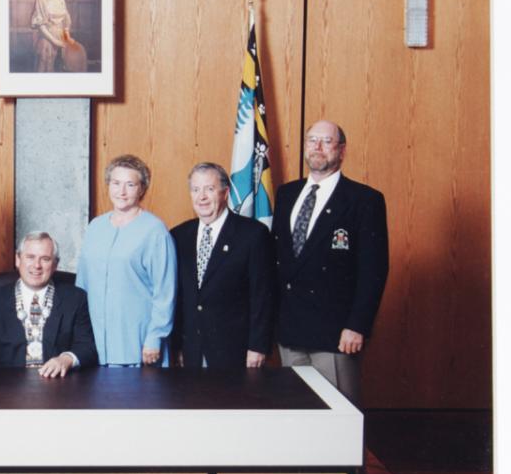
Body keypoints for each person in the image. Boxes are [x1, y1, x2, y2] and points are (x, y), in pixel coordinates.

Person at [273, 119, 388, 403]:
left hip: (336, 333)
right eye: (312, 140)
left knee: (337, 416)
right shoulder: (287, 194)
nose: (318, 148)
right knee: (296, 415)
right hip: (290, 330)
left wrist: (358, 325)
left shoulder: (364, 200)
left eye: (326, 141)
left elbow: (374, 269)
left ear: (342, 150)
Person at [171, 162, 275, 368]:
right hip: (192, 348)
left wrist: (258, 346)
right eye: (195, 189)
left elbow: (262, 296)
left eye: (209, 189)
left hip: (236, 350)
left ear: (225, 193)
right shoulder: (178, 235)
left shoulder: (252, 234)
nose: (201, 197)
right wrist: (178, 346)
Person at [76, 155, 176, 366]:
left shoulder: (155, 230)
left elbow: (165, 291)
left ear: (142, 189)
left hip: (137, 344)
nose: (121, 192)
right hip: (94, 340)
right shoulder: (95, 227)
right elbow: (82, 283)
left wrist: (155, 337)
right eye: (116, 183)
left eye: (130, 185)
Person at [0, 232, 97, 379]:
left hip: (59, 386)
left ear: (55, 265)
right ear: (18, 260)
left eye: (45, 259)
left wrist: (66, 359)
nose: (37, 265)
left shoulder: (75, 298)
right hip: (5, 388)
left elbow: (87, 346)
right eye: (30, 257)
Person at [30, 0, 86, 73]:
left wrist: (66, 38)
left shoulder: (60, 0)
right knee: (45, 69)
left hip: (61, 40)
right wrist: (54, 41)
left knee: (60, 69)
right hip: (47, 40)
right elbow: (40, 25)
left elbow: (65, 22)